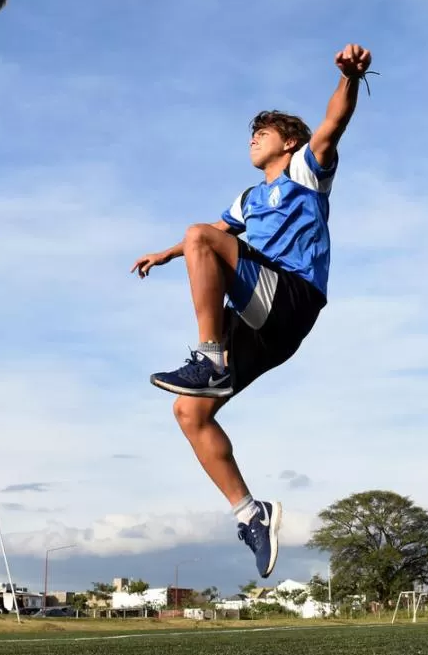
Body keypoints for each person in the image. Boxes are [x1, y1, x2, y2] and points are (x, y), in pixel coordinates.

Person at [131, 44, 373, 580]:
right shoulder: (245, 200)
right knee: (189, 414)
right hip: (261, 323)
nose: (252, 138)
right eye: (251, 132)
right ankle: (250, 513)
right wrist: (164, 254)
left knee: (202, 236)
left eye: (262, 131)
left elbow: (334, 122)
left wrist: (349, 80)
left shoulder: (308, 171)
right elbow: (213, 238)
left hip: (292, 298)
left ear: (288, 142)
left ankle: (210, 355)